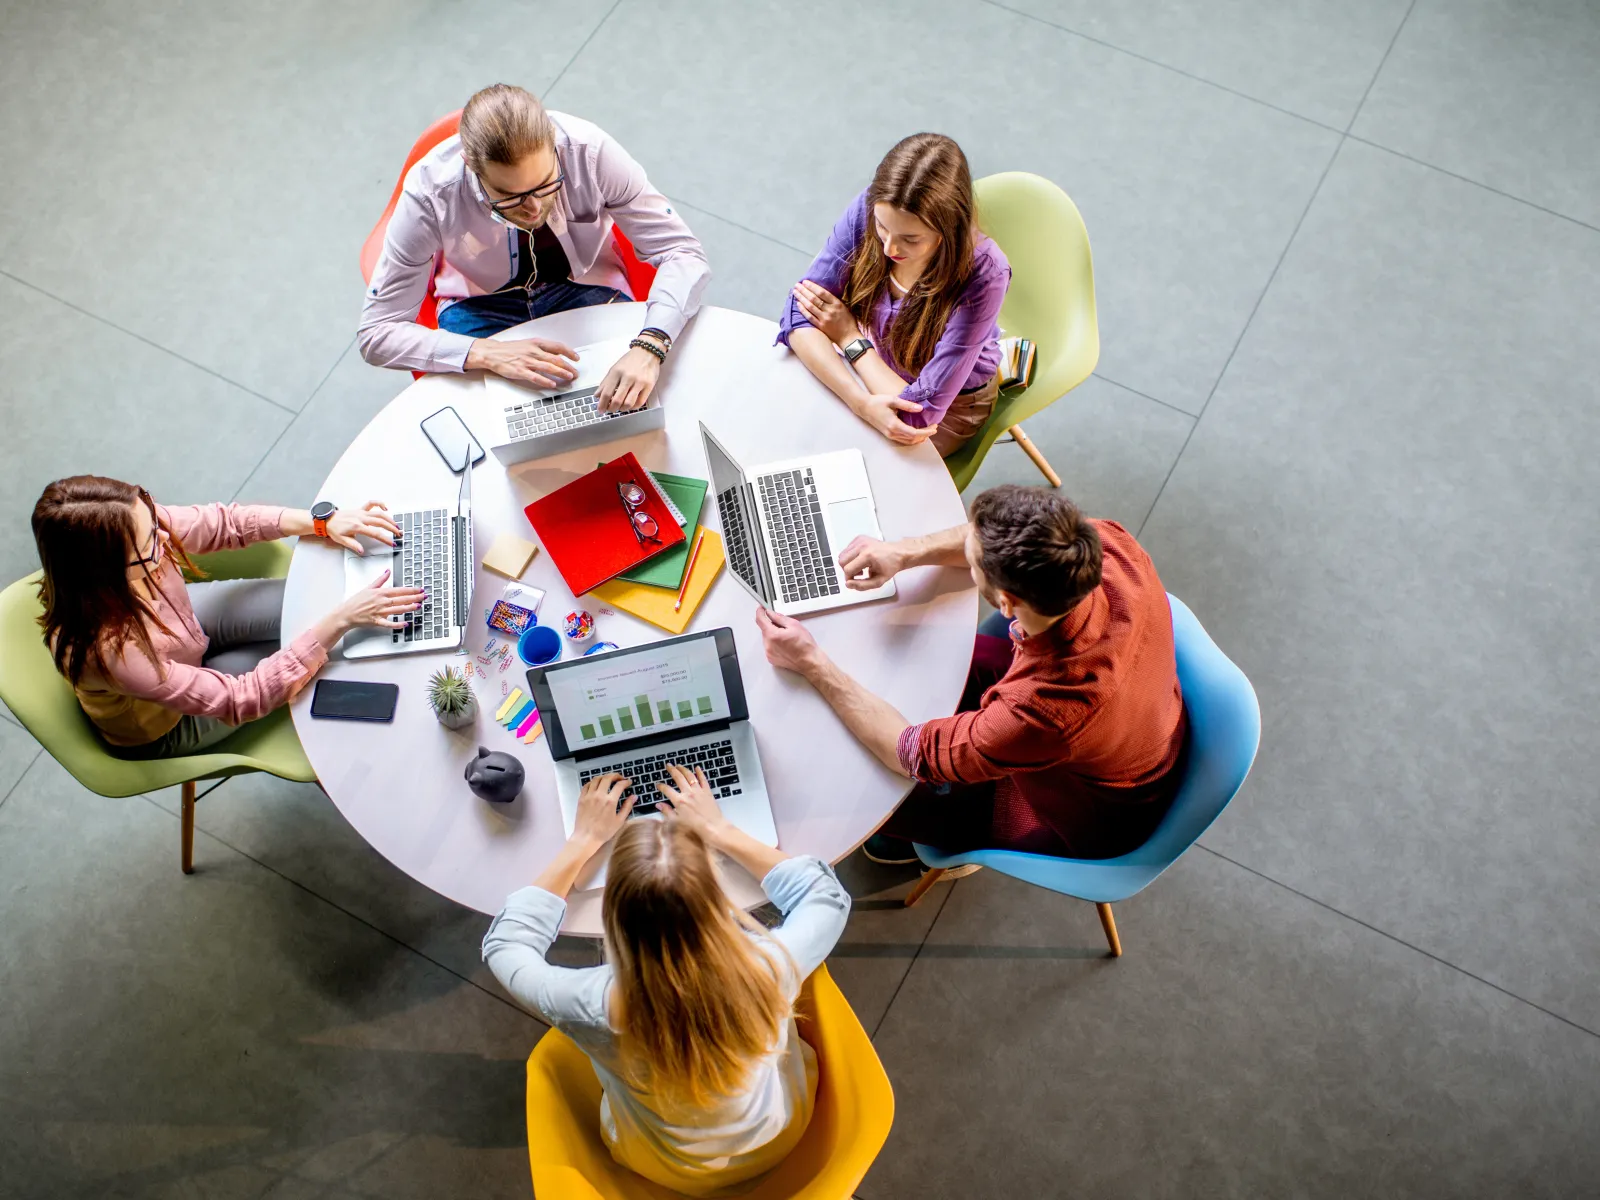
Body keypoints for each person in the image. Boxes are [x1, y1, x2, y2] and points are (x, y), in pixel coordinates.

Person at [754, 484, 1188, 864]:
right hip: (1137, 719)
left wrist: (812, 662)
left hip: (1094, 808)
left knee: (872, 793)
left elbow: (909, 753)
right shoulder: (1104, 545)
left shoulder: (1041, 713)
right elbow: (982, 538)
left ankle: (930, 850)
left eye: (973, 561)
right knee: (945, 655)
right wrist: (903, 552)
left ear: (1005, 603)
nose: (966, 551)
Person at [483, 765, 850, 1196]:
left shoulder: (587, 1005)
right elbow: (826, 896)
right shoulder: (768, 968)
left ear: (614, 919)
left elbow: (505, 945)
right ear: (715, 901)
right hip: (778, 1135)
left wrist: (582, 843)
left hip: (662, 1165)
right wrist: (719, 829)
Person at [358, 83, 711, 412]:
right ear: (471, 167)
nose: (533, 209)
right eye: (510, 197)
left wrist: (650, 344)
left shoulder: (591, 152)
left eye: (546, 184)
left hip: (583, 284)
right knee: (490, 433)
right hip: (479, 306)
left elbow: (683, 252)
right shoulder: (430, 193)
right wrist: (485, 353)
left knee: (635, 409)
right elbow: (377, 333)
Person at [32, 476, 423, 759]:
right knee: (325, 649)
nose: (166, 538)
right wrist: (338, 622)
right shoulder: (113, 654)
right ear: (103, 572)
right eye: (151, 543)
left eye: (155, 520)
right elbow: (241, 698)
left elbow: (226, 524)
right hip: (167, 720)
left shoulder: (131, 525)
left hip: (184, 629)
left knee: (316, 617)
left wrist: (321, 522)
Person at [776, 133, 1010, 457]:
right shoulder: (872, 205)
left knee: (853, 468)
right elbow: (800, 313)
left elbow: (916, 416)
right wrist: (860, 403)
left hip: (951, 406)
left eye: (911, 239)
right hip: (873, 373)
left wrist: (848, 338)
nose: (889, 248)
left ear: (949, 229)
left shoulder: (985, 273)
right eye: (881, 227)